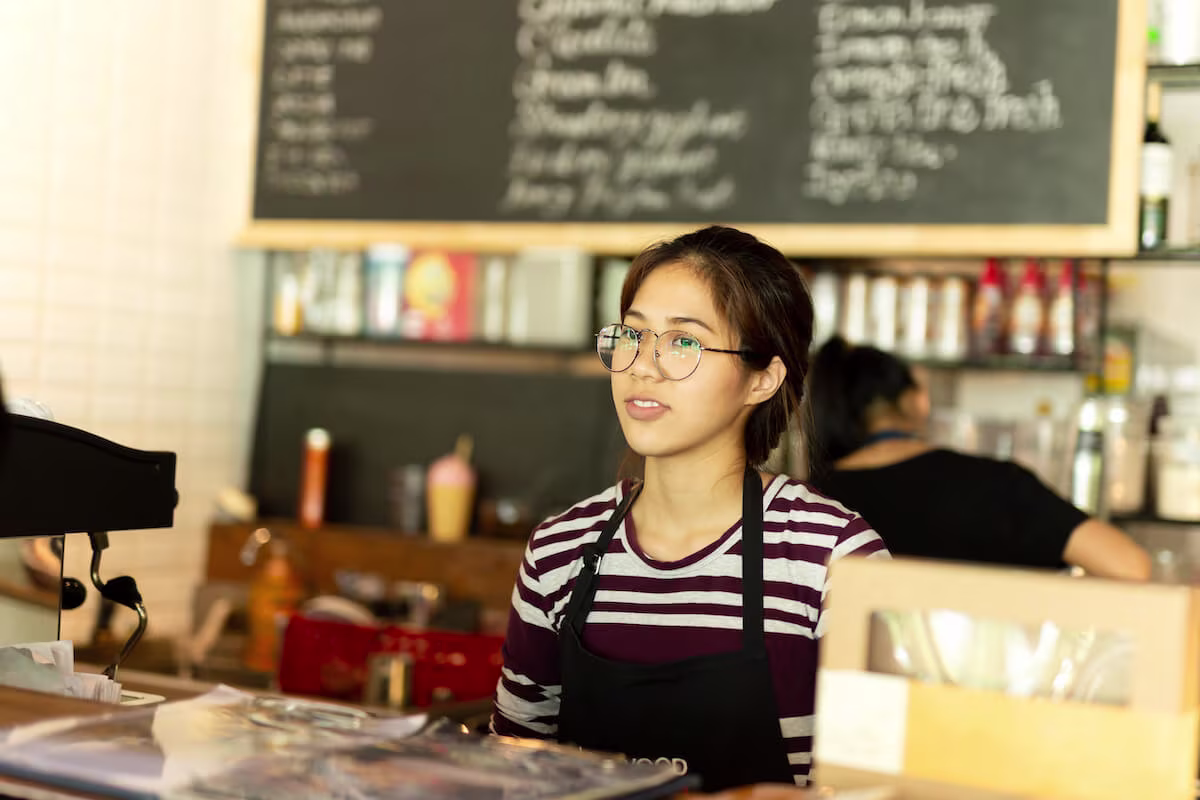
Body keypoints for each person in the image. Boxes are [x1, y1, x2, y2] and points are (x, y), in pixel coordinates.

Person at [489, 226, 887, 792]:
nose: (642, 366)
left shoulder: (834, 558)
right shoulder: (560, 550)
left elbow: (878, 785)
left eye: (684, 342)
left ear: (763, 378)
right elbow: (513, 766)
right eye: (633, 334)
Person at [807, 336, 1150, 580]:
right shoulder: (996, 485)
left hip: (839, 681)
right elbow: (1130, 566)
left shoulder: (808, 501)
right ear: (915, 402)